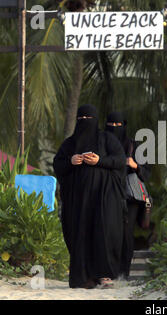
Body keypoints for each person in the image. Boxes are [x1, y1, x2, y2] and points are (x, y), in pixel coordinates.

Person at [53, 104, 127, 289]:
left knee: (104, 231)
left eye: (89, 119)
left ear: (96, 121)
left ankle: (104, 275)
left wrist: (99, 161)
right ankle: (83, 276)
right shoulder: (69, 144)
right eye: (81, 119)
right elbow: (58, 164)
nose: (85, 122)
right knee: (79, 233)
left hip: (104, 198)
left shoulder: (107, 139)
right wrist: (71, 161)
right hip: (77, 201)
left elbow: (119, 160)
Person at [105, 111, 151, 280]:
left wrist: (134, 165)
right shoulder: (102, 143)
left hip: (130, 198)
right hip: (108, 195)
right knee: (109, 232)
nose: (115, 129)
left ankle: (124, 273)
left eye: (119, 126)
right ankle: (109, 271)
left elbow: (146, 173)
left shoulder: (134, 146)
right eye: (111, 125)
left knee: (126, 233)